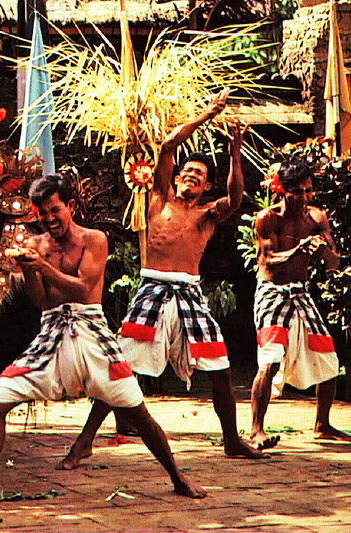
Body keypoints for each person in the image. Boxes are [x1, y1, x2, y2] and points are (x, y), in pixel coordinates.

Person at [0, 174, 206, 514]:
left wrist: (41, 265)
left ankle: (177, 477)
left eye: (54, 210)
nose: (49, 219)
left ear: (71, 206)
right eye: (42, 213)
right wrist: (29, 270)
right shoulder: (37, 245)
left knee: (138, 413)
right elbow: (41, 300)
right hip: (51, 332)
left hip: (92, 333)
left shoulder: (95, 239)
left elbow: (84, 287)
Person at [116, 91, 265, 458]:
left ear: (205, 187)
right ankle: (91, 437)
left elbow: (236, 197)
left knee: (221, 368)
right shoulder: (157, 200)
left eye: (197, 175)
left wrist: (234, 153)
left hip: (189, 292)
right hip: (152, 287)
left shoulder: (207, 216)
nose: (188, 177)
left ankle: (231, 439)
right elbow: (167, 146)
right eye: (185, 172)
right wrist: (207, 114)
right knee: (123, 362)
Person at [250, 157, 349, 447]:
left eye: (308, 191)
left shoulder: (317, 218)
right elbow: (268, 262)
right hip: (271, 292)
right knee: (269, 359)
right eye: (298, 192)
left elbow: (334, 263)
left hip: (301, 293)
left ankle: (323, 425)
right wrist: (300, 249)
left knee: (328, 359)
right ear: (283, 190)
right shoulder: (268, 218)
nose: (304, 197)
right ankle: (256, 430)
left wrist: (325, 250)